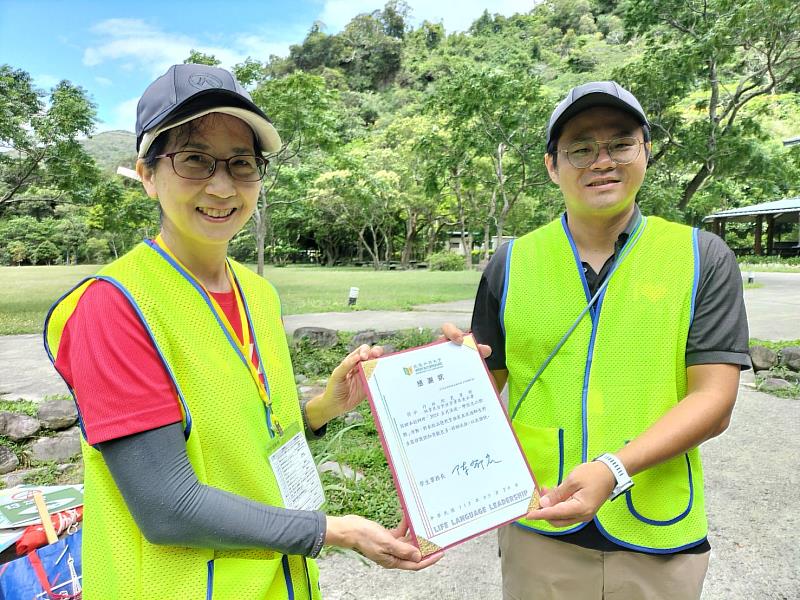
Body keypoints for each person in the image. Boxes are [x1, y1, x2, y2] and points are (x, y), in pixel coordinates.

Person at [43, 63, 437, 600]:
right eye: (195, 160)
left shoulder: (257, 291)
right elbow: (167, 506)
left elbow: (242, 435)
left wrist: (323, 407)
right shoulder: (113, 308)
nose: (223, 185)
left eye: (241, 163)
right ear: (146, 173)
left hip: (279, 583)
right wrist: (330, 531)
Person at [444, 81, 750, 599]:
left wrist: (615, 469)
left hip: (657, 531)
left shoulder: (703, 257)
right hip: (540, 522)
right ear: (551, 166)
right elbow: (483, 386)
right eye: (581, 149)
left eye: (620, 144)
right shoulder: (510, 263)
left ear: (646, 152)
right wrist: (452, 368)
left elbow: (714, 401)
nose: (601, 161)